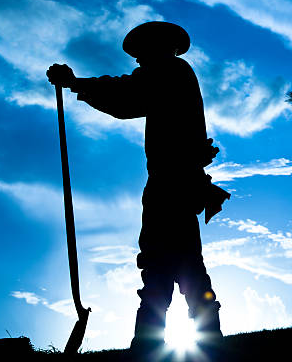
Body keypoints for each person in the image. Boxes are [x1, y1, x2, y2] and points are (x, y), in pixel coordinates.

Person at [47, 21, 229, 357]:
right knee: (180, 265)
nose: (138, 62)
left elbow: (126, 95)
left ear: (158, 48)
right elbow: (127, 100)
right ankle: (191, 341)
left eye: (141, 54)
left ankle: (151, 346)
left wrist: (75, 83)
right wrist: (79, 86)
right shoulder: (172, 74)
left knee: (164, 265)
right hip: (177, 181)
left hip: (171, 183)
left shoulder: (171, 71)